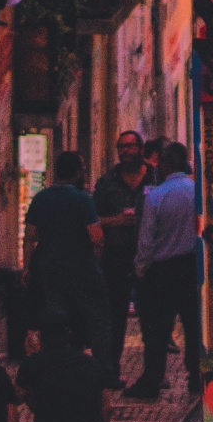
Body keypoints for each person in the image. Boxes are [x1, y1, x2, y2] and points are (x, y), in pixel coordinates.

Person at [24, 150, 113, 375]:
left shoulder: (41, 198)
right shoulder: (83, 199)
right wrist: (96, 262)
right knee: (97, 321)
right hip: (83, 272)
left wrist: (27, 268)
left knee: (57, 321)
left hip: (51, 272)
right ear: (77, 173)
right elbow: (97, 237)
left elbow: (30, 237)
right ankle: (104, 373)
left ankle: (56, 370)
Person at [130, 141, 201, 399]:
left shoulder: (157, 196)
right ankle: (196, 377)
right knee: (193, 327)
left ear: (167, 165)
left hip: (162, 271)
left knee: (157, 330)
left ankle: (152, 380)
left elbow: (146, 239)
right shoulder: (196, 192)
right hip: (191, 267)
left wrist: (140, 268)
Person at [14, 314, 111, 422]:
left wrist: (32, 357)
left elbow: (16, 397)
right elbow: (107, 405)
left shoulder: (33, 364)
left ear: (41, 336)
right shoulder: (89, 362)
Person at [93, 130, 150, 386]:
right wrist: (115, 221)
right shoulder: (107, 183)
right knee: (114, 317)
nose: (125, 151)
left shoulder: (155, 180)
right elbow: (93, 221)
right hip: (115, 258)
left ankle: (153, 373)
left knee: (151, 317)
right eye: (121, 147)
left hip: (148, 258)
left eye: (130, 146)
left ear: (140, 148)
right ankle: (110, 370)